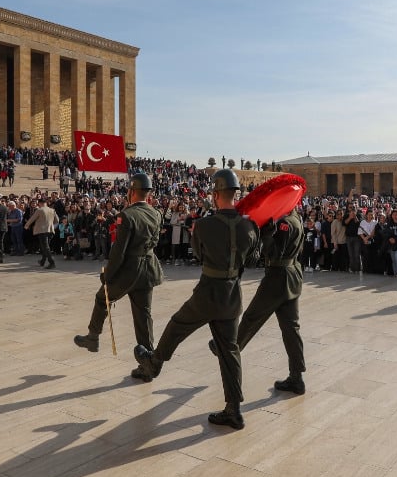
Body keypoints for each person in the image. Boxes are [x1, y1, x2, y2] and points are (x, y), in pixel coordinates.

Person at [133, 169, 259, 429]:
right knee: (230, 351)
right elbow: (253, 259)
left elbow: (200, 256)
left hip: (207, 293)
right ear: (235, 194)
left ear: (215, 195)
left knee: (177, 326)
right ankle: (234, 410)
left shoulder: (203, 225)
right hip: (231, 296)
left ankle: (154, 363)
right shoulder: (250, 226)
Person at [74, 172, 164, 381]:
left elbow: (119, 251)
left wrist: (108, 275)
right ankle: (147, 363)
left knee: (102, 298)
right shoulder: (156, 213)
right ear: (148, 193)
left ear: (132, 191)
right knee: (143, 316)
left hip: (129, 270)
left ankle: (93, 337)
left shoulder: (127, 215)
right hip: (148, 269)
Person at [221, 207, 306, 395]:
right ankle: (296, 377)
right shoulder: (296, 218)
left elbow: (274, 254)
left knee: (252, 318)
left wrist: (266, 235)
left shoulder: (284, 223)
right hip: (292, 276)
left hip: (278, 278)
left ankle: (229, 349)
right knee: (291, 328)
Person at [24, 197, 59, 269]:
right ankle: (42, 261)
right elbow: (57, 220)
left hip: (42, 231)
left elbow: (32, 219)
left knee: (45, 247)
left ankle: (52, 262)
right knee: (45, 247)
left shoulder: (39, 210)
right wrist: (50, 225)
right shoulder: (52, 210)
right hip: (50, 230)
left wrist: (26, 225)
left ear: (40, 203)